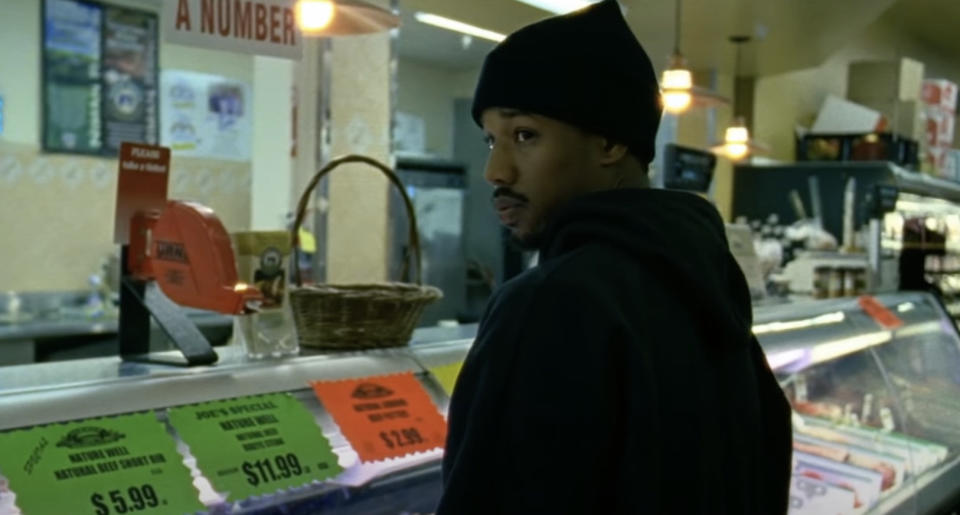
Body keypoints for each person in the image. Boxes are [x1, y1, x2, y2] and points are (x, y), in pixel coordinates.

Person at [437, 1, 792, 514]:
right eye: (491, 139)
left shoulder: (548, 303)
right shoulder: (708, 276)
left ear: (607, 142)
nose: (495, 170)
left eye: (524, 136)